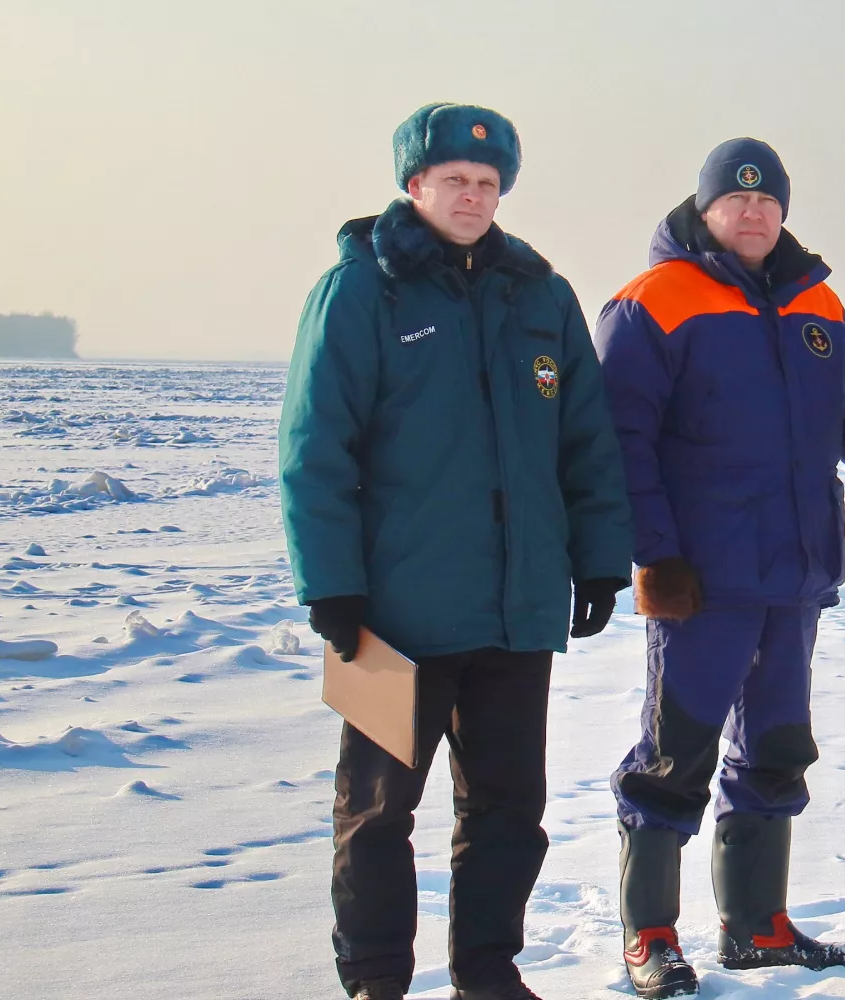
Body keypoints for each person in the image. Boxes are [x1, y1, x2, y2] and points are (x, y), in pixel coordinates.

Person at [595, 137, 845, 998]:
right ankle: (649, 934)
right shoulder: (652, 303)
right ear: (706, 209)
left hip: (794, 575)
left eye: (768, 202)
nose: (755, 213)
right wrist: (654, 556)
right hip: (702, 582)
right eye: (737, 200)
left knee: (775, 749)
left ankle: (756, 925)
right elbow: (620, 444)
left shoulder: (820, 306)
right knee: (673, 757)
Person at [278, 102, 634, 1000]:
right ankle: (374, 982)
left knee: (510, 811)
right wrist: (333, 588)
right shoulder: (360, 290)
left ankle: (486, 973)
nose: (472, 196)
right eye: (454, 181)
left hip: (516, 612)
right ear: (414, 186)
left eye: (487, 183)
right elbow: (315, 450)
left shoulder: (540, 294)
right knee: (377, 813)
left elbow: (584, 440)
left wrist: (597, 557)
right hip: (393, 616)